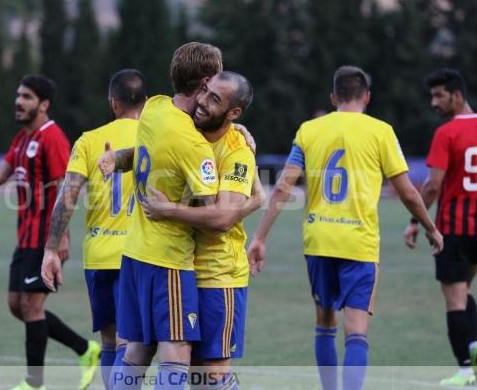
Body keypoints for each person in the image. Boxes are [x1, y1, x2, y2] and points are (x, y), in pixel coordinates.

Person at [247, 66, 443, 390]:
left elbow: (283, 186)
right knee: (356, 331)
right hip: (358, 243)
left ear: (333, 97)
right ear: (367, 97)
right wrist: (430, 227)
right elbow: (408, 191)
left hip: (319, 239)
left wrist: (260, 237)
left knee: (325, 323)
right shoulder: (381, 131)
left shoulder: (309, 130)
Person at [0, 75, 100, 390]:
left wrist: (61, 239)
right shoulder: (23, 138)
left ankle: (33, 384)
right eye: (18, 96)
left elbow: (66, 191)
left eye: (26, 97)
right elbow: (0, 174)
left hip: (45, 238)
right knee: (17, 305)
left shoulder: (52, 138)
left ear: (44, 104)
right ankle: (85, 349)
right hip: (25, 236)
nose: (18, 101)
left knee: (32, 307)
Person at [94, 42, 223, 389]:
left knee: (137, 350)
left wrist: (117, 159)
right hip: (168, 261)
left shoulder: (154, 107)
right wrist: (175, 209)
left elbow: (143, 152)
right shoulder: (194, 147)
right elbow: (214, 215)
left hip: (134, 252)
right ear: (207, 82)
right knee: (177, 352)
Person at [140, 71, 265, 390]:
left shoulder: (237, 152)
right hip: (180, 269)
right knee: (176, 361)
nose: (203, 102)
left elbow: (227, 216)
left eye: (215, 99)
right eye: (205, 91)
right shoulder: (187, 129)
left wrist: (169, 210)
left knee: (210, 372)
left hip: (217, 273)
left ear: (234, 112)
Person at [41, 69, 147, 389]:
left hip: (100, 255)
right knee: (134, 345)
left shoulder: (88, 140)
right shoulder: (156, 137)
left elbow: (67, 196)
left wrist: (50, 249)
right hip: (142, 254)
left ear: (112, 102)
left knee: (110, 340)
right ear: (144, 103)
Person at [404, 68, 477, 387]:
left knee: (455, 301)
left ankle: (464, 370)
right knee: (465, 291)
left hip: (455, 229)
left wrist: (416, 222)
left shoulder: (447, 133)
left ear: (457, 96)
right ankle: (473, 348)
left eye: (439, 95)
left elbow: (432, 186)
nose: (433, 102)